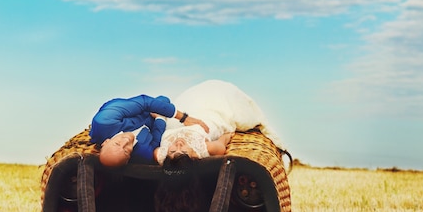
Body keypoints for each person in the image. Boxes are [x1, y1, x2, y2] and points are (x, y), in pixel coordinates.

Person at [155, 80, 284, 164]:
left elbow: (156, 150)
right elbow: (221, 144)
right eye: (183, 151)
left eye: (172, 151)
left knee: (187, 102)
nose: (178, 144)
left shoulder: (160, 154)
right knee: (219, 100)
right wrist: (228, 135)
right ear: (193, 155)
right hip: (206, 120)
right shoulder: (203, 148)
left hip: (184, 118)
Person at [89, 94, 209, 167]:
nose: (125, 142)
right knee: (163, 101)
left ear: (106, 141)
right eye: (126, 151)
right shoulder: (144, 153)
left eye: (117, 143)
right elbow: (157, 137)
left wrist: (183, 118)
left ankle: (157, 107)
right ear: (128, 159)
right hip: (148, 120)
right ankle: (158, 108)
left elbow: (144, 101)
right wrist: (160, 117)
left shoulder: (104, 120)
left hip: (129, 110)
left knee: (163, 100)